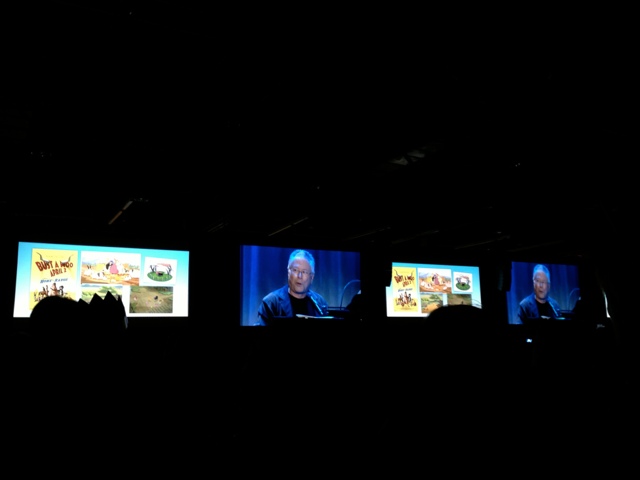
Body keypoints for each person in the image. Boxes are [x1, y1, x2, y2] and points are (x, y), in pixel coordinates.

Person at [256, 249, 329, 325]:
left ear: (312, 277)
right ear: (288, 272)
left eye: (304, 272)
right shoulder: (271, 303)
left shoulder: (320, 303)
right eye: (295, 270)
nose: (299, 276)